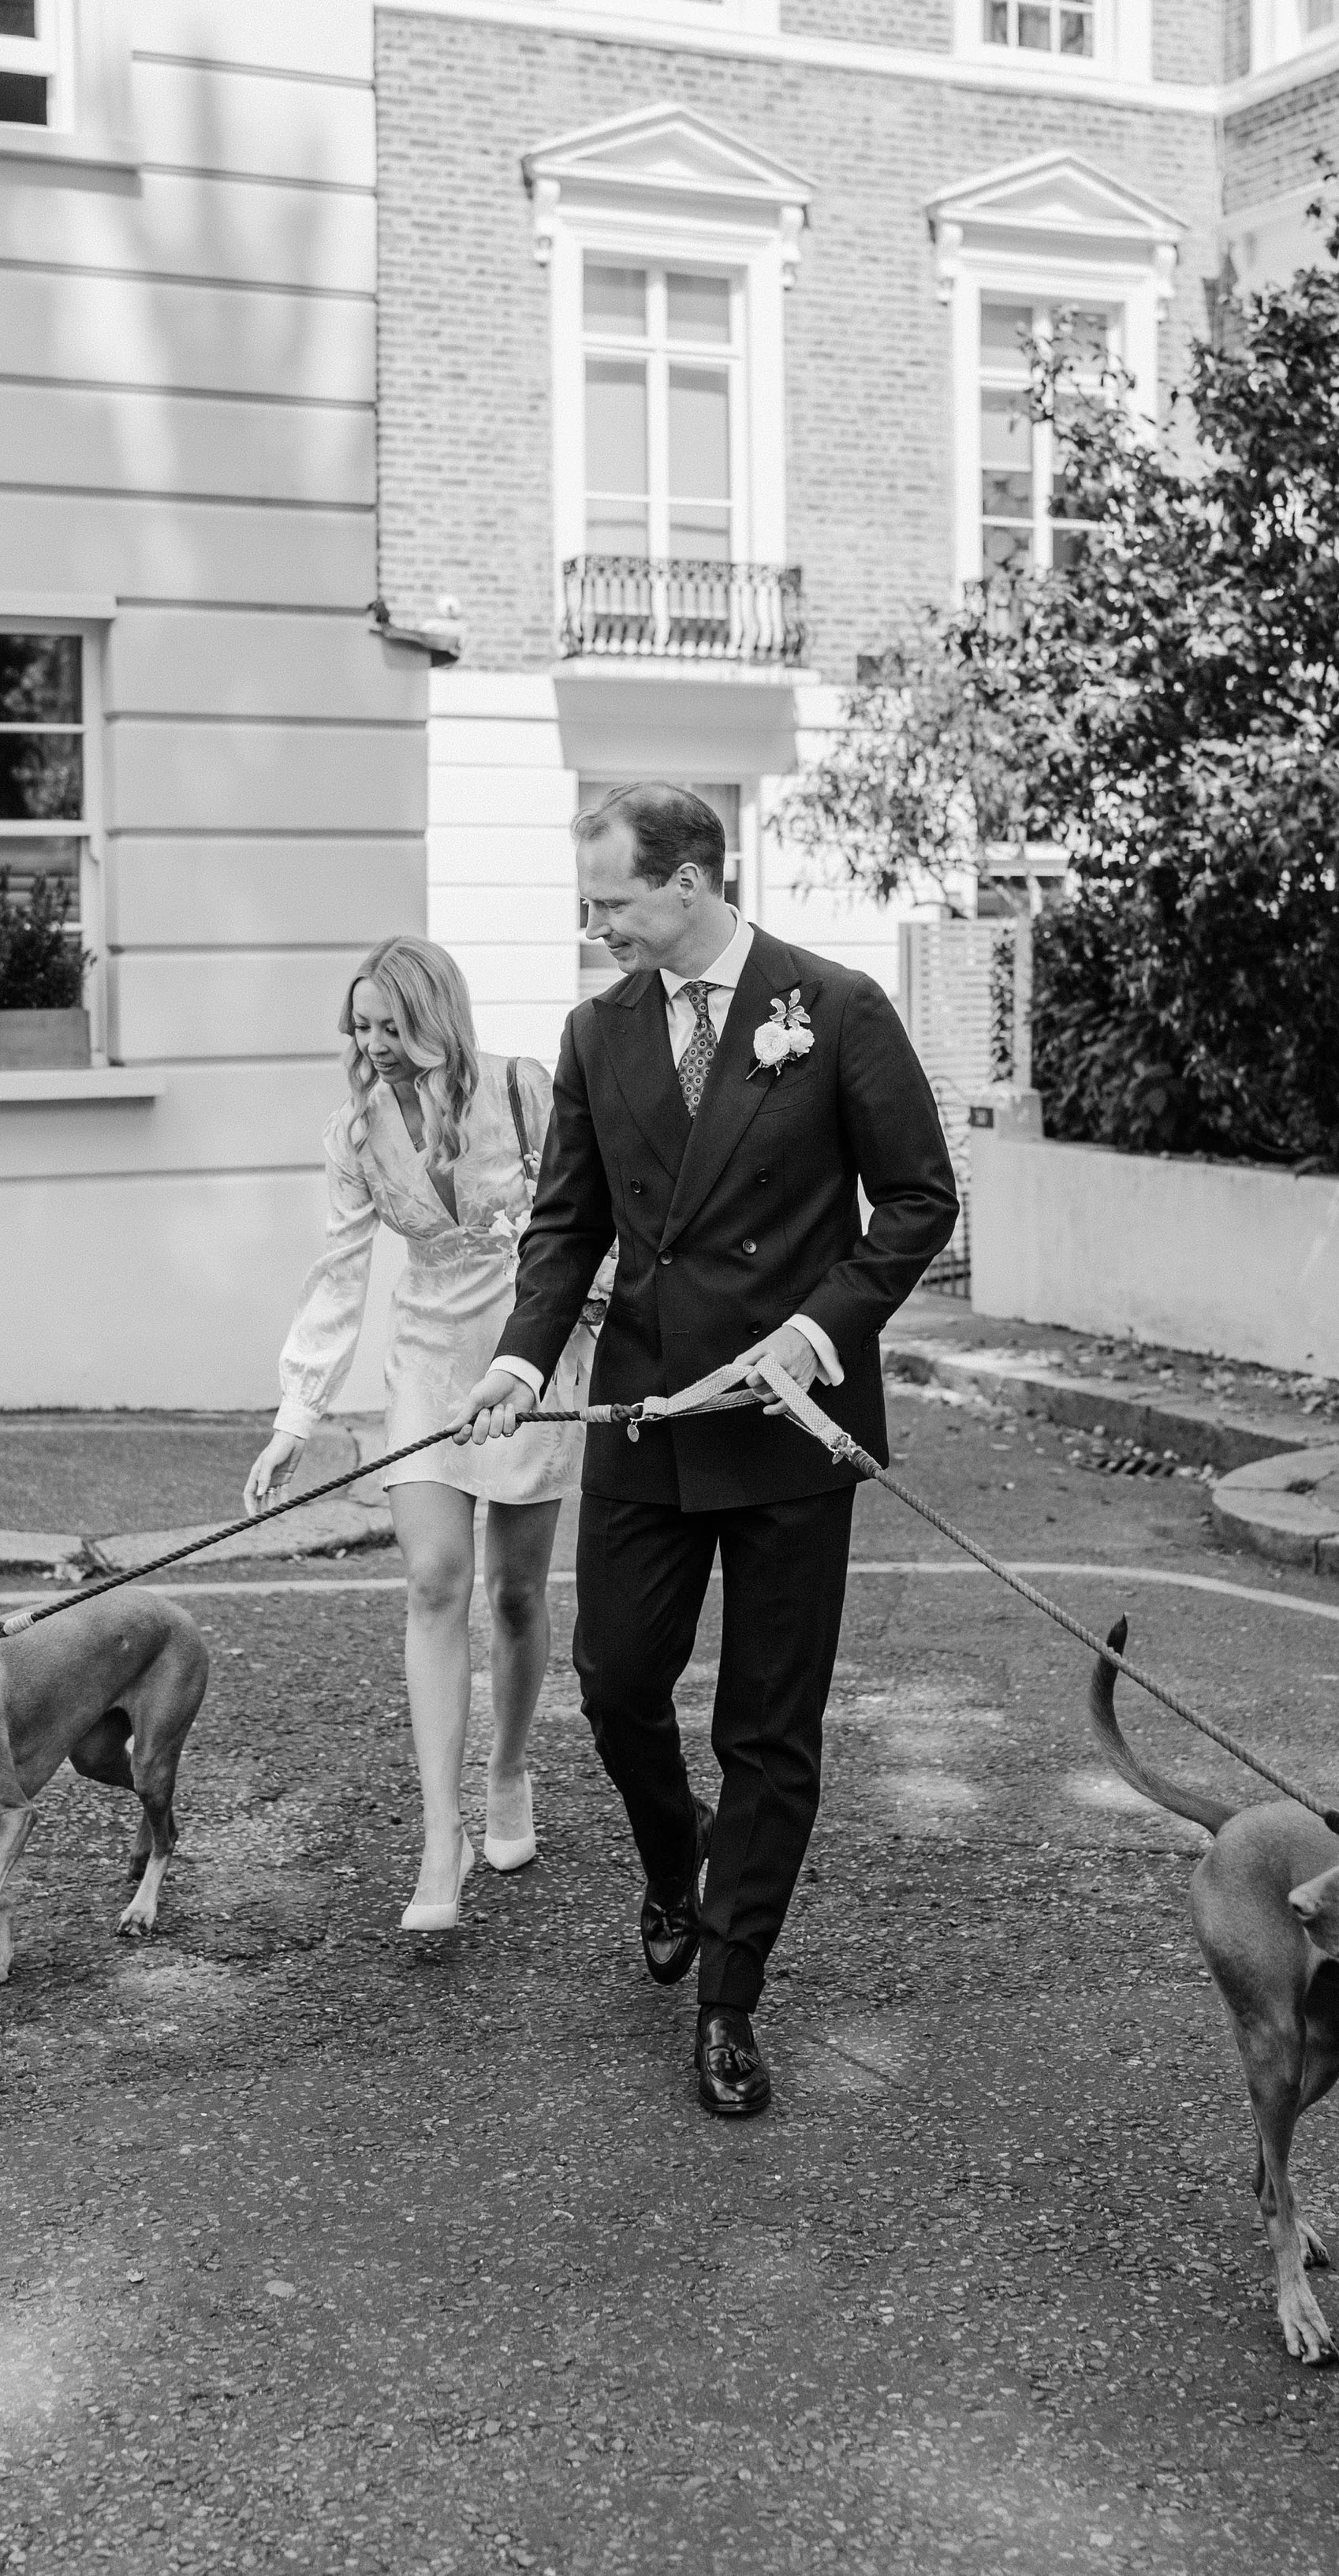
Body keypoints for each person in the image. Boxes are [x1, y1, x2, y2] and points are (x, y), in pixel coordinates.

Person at [458, 785, 957, 2115]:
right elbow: (567, 1225)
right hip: (647, 1412)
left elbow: (920, 1200)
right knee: (617, 1680)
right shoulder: (594, 1030)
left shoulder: (833, 1007)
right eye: (591, 900)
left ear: (689, 882)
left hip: (793, 1421)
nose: (596, 922)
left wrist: (816, 1334)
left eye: (615, 901)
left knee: (768, 1729)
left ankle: (730, 1997)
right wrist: (520, 1355)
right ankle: (674, 1864)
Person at [245, 936, 595, 1932]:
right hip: (431, 1369)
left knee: (517, 1594)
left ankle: (510, 1767)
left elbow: (587, 1223)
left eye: (391, 1026)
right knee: (435, 1581)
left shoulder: (526, 1091)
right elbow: (339, 1277)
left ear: (437, 1015)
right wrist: (295, 1419)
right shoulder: (354, 1137)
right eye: (361, 1028)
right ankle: (439, 1837)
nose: (375, 1046)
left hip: (530, 1361)